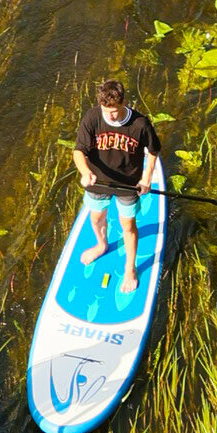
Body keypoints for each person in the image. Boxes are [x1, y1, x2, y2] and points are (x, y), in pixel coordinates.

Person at [73, 76, 166, 299]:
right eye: (106, 110)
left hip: (127, 184)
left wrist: (145, 179)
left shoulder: (140, 124)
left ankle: (130, 269)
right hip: (99, 181)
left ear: (123, 103)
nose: (110, 115)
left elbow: (153, 151)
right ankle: (102, 245)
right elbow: (78, 152)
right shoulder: (92, 118)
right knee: (96, 218)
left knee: (128, 226)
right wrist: (85, 173)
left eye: (114, 110)